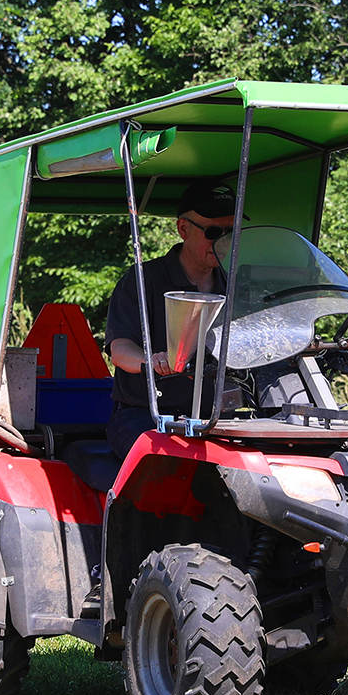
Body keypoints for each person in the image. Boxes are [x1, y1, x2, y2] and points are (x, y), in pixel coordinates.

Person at [82, 180, 236, 488]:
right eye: (213, 232)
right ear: (183, 228)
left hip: (216, 418)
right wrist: (152, 361)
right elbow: (120, 349)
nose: (224, 241)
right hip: (144, 416)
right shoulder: (141, 280)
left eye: (231, 232)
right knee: (176, 475)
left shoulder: (238, 286)